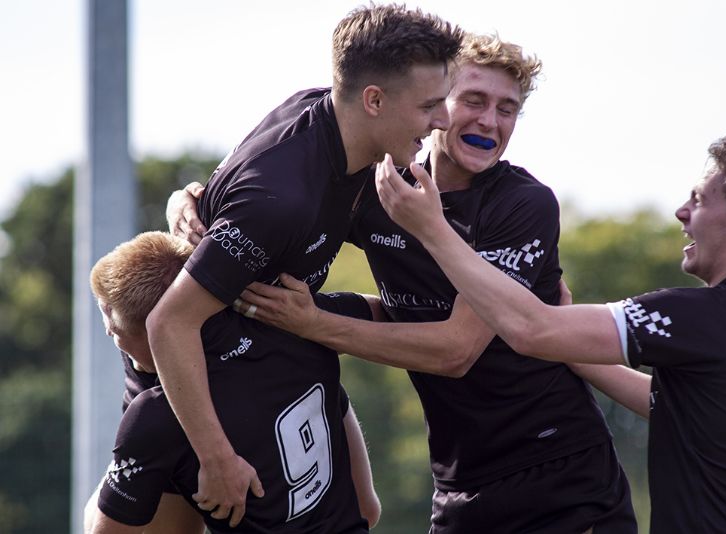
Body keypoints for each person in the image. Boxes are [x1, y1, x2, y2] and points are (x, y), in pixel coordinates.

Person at [171, 33, 637, 533]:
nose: (490, 122)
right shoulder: (376, 182)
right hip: (459, 485)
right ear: (433, 105)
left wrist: (314, 323)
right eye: (474, 101)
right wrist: (185, 200)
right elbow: (269, 194)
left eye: (508, 109)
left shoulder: (523, 205)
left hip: (560, 476)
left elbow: (455, 351)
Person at [376, 129, 726, 532]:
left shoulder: (702, 317)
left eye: (699, 200)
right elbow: (699, 412)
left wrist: (432, 229)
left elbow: (530, 329)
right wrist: (576, 350)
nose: (682, 212)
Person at [146, 3, 462, 527]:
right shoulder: (282, 199)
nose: (443, 121)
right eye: (431, 105)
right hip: (210, 392)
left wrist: (184, 199)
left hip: (281, 355)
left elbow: (218, 203)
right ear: (375, 100)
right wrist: (216, 457)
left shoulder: (321, 112)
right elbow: (170, 321)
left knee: (364, 511)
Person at [83, 231, 380, 533]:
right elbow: (367, 508)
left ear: (156, 333)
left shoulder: (155, 414)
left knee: (92, 511)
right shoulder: (292, 319)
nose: (111, 337)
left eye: (116, 333)